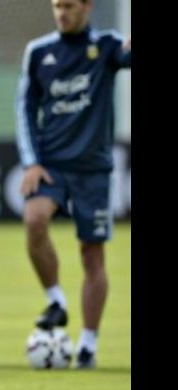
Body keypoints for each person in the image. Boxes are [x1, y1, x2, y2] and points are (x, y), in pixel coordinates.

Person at [15, 0, 131, 369]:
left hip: (92, 170)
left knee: (91, 254)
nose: (61, 12)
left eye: (69, 5)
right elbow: (24, 108)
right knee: (34, 220)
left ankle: (88, 346)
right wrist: (31, 161)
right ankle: (56, 300)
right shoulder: (39, 52)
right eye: (57, 5)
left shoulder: (107, 46)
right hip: (51, 165)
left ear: (87, 6)